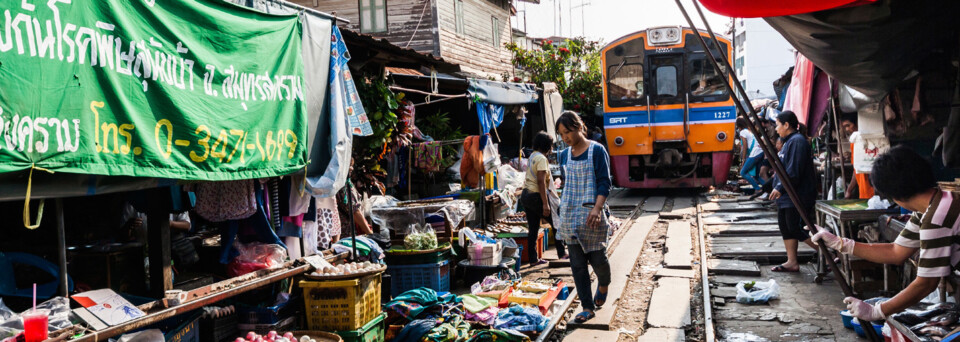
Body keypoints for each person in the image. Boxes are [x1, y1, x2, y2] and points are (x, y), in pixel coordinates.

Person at [810, 146, 953, 322]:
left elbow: (926, 283)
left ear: (894, 195)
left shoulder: (937, 218)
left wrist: (877, 311)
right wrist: (842, 244)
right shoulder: (933, 203)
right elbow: (896, 251)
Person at [555, 111, 612, 323]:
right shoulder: (564, 155)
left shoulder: (597, 151)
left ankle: (604, 283)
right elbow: (566, 184)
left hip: (591, 215)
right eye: (561, 134)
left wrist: (597, 209)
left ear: (579, 127)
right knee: (578, 266)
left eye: (568, 132)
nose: (565, 138)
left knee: (598, 259)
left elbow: (604, 182)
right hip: (570, 216)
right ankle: (587, 307)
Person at [768, 111, 819, 272]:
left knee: (795, 227)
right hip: (786, 195)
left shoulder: (797, 141)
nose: (776, 129)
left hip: (797, 193)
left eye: (777, 125)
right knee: (785, 226)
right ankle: (792, 261)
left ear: (786, 125)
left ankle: (829, 252)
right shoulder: (789, 142)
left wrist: (779, 188)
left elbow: (793, 171)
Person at [520, 132, 566, 264]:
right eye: (551, 145)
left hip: (526, 195)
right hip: (535, 196)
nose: (551, 148)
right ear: (547, 146)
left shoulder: (533, 156)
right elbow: (541, 181)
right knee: (556, 223)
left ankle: (533, 259)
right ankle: (562, 254)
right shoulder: (541, 159)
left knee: (533, 228)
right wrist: (545, 204)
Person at [840, 114, 875, 199]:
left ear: (857, 123)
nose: (847, 129)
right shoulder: (854, 142)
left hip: (874, 193)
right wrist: (849, 190)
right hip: (863, 193)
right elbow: (856, 170)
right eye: (845, 127)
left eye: (848, 125)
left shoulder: (871, 139)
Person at [737, 118, 765, 195]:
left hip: (755, 153)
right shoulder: (749, 131)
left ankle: (758, 189)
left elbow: (745, 146)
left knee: (743, 172)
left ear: (739, 126)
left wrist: (743, 160)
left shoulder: (742, 132)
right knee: (756, 176)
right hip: (760, 152)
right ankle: (769, 188)